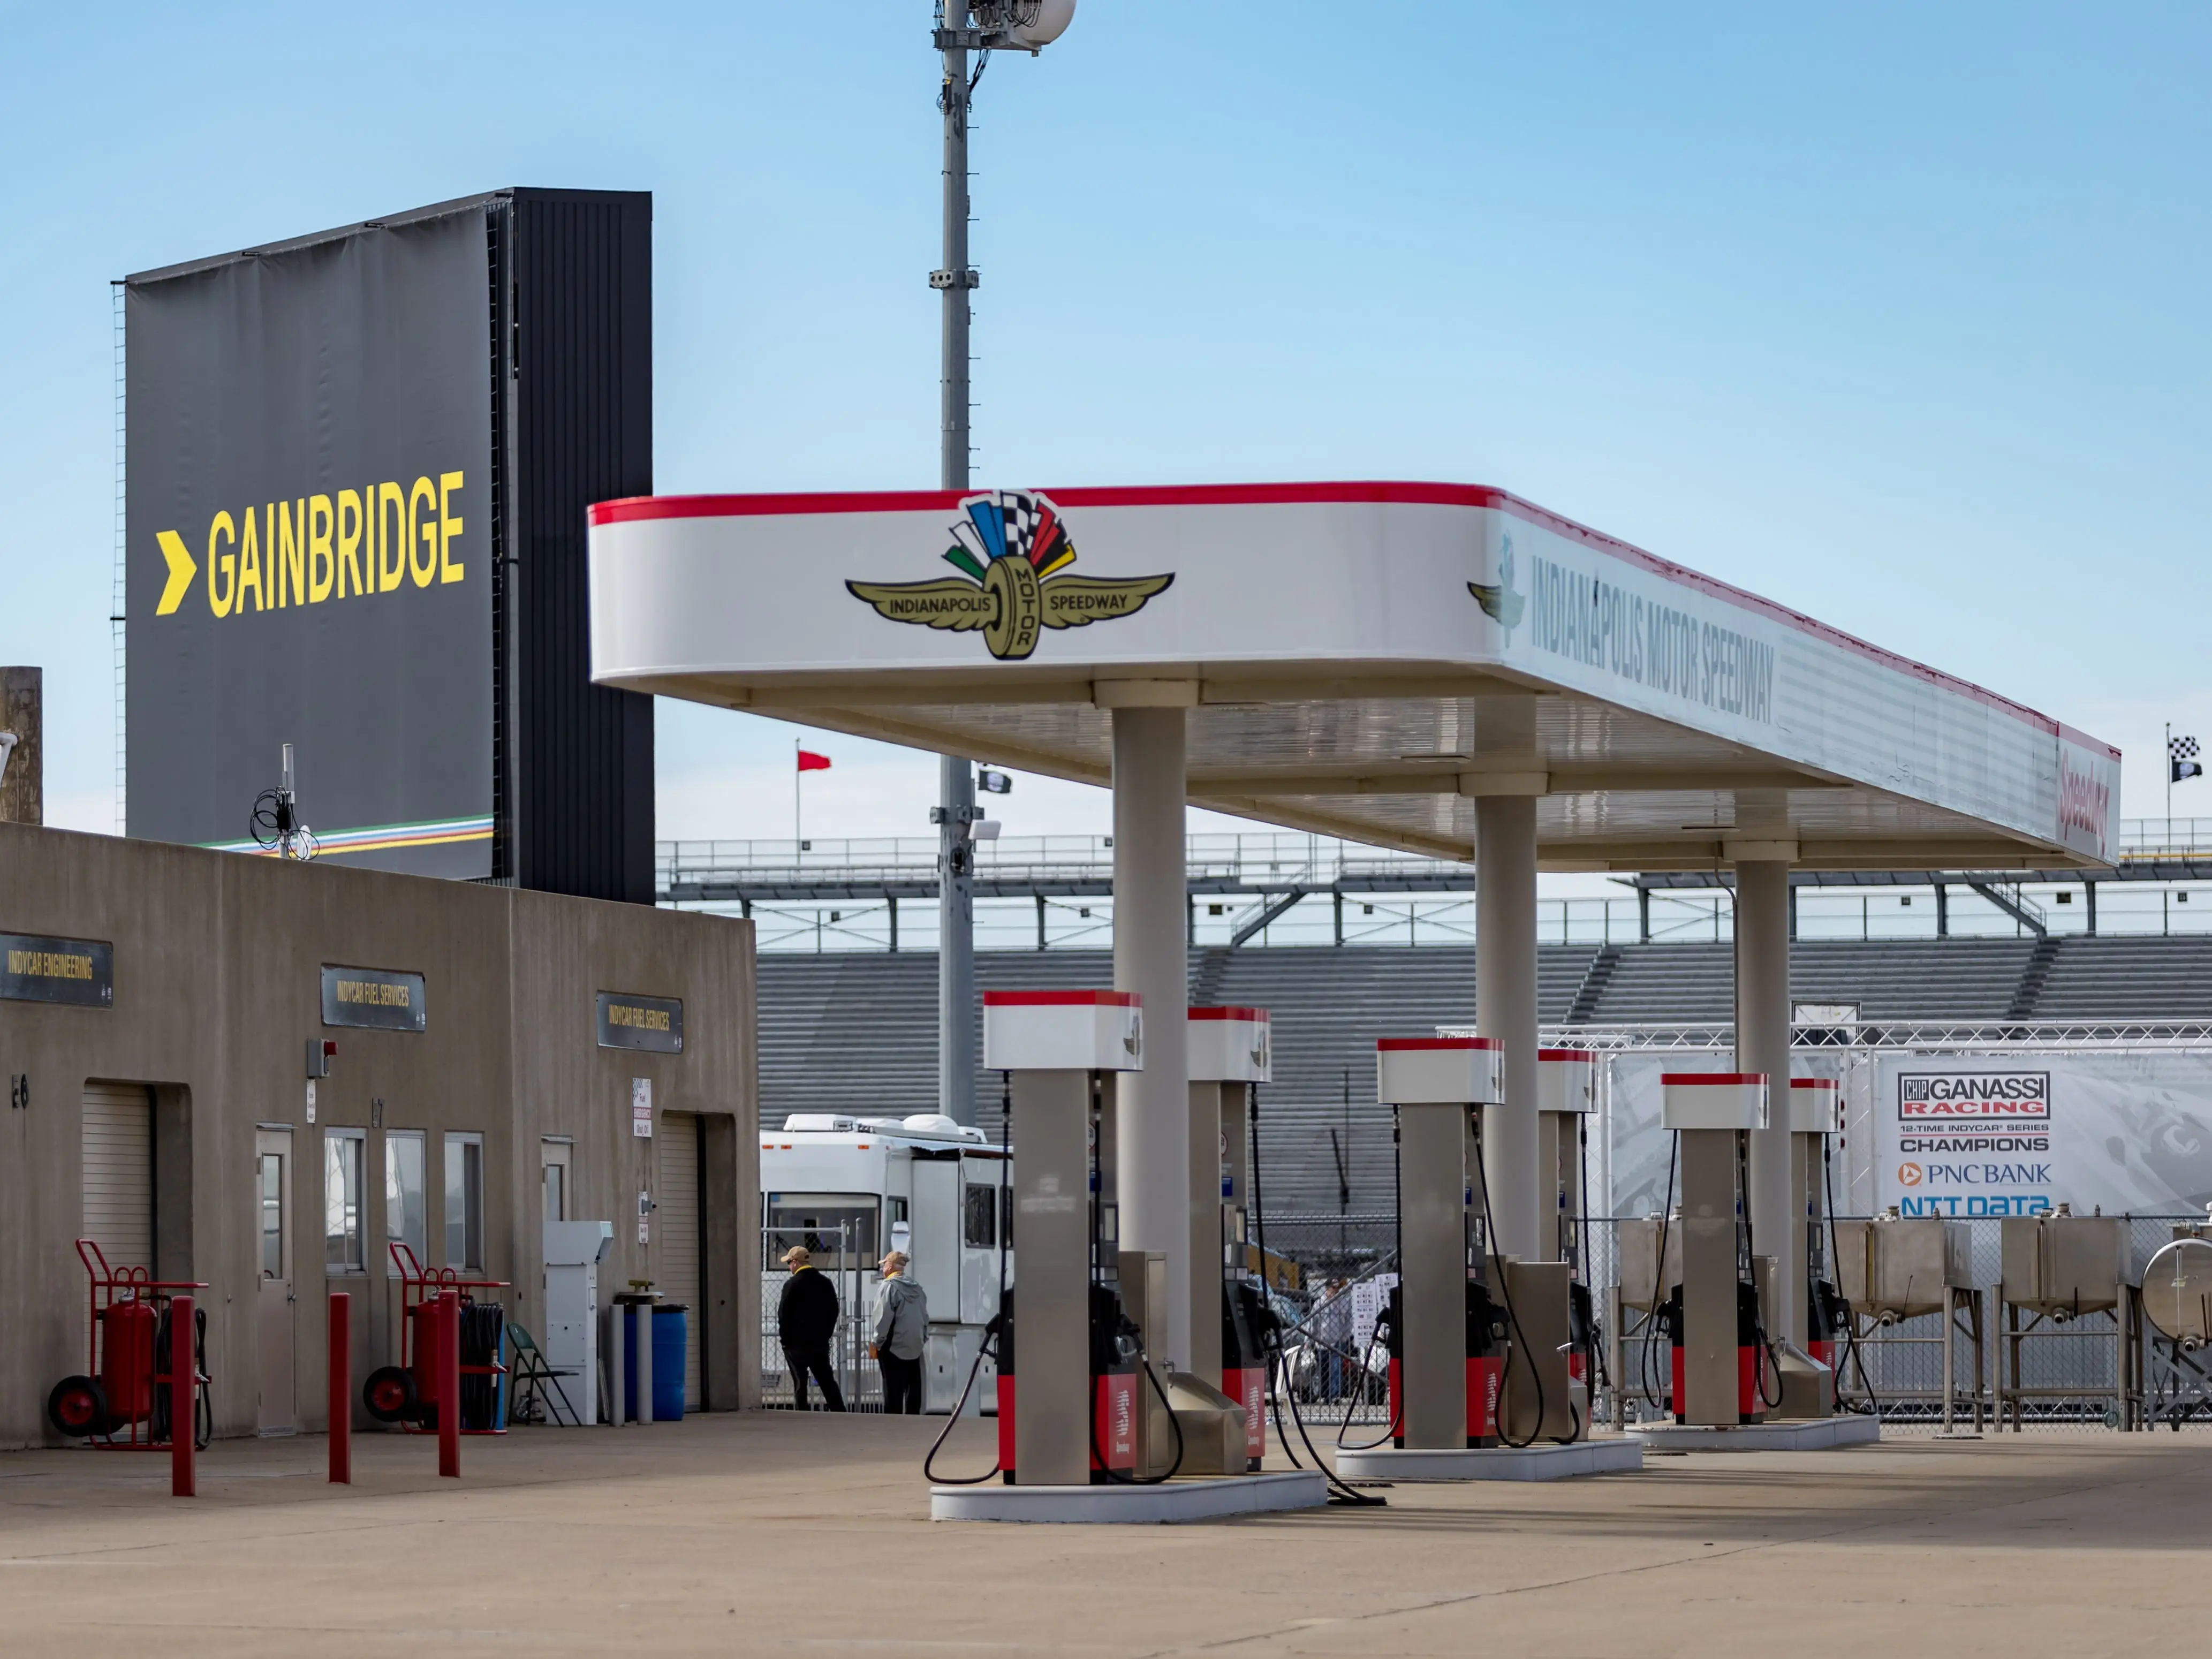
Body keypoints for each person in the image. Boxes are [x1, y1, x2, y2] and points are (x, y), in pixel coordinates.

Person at [777, 1245, 845, 1411]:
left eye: (789, 1263)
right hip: (819, 1343)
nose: (789, 1267)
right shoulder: (825, 1283)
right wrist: (826, 1335)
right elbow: (833, 1311)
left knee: (800, 1382)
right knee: (826, 1380)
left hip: (796, 1344)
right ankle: (840, 1412)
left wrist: (786, 1340)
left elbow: (784, 1315)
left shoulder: (792, 1284)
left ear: (795, 1262)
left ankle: (802, 1413)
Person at [869, 1251, 930, 1414]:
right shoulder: (917, 1288)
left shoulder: (889, 1287)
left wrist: (877, 1342)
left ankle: (893, 1424)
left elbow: (883, 1319)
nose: (883, 1269)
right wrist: (922, 1339)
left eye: (884, 1266)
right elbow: (925, 1317)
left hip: (893, 1346)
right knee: (912, 1387)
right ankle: (913, 1421)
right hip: (914, 1344)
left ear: (889, 1266)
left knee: (892, 1390)